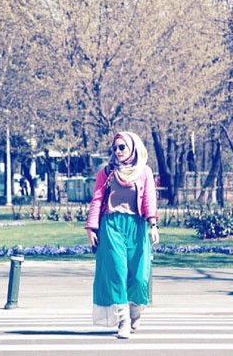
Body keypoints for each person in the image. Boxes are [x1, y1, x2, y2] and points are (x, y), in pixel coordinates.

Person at [85, 131, 160, 339]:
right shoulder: (107, 172)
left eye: (122, 147)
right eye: (115, 148)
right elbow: (97, 199)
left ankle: (135, 309)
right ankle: (123, 320)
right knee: (117, 273)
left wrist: (153, 224)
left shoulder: (144, 171)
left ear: (133, 148)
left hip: (136, 226)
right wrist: (91, 227)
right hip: (111, 226)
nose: (118, 151)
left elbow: (149, 199)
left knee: (139, 276)